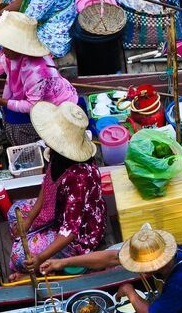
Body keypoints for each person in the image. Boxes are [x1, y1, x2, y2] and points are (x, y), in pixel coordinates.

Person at [7, 101, 107, 279]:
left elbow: (69, 233)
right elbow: (47, 187)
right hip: (58, 212)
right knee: (13, 212)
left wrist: (40, 258)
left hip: (79, 234)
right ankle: (37, 237)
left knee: (20, 257)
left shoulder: (79, 179)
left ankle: (49, 265)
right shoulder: (56, 155)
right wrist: (29, 219)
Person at [0, 11, 78, 144]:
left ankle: (33, 143)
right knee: (7, 110)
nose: (3, 50)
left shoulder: (38, 72)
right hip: (34, 99)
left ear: (20, 49)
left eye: (8, 47)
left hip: (56, 107)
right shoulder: (10, 56)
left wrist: (0, 101)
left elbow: (31, 106)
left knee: (15, 126)